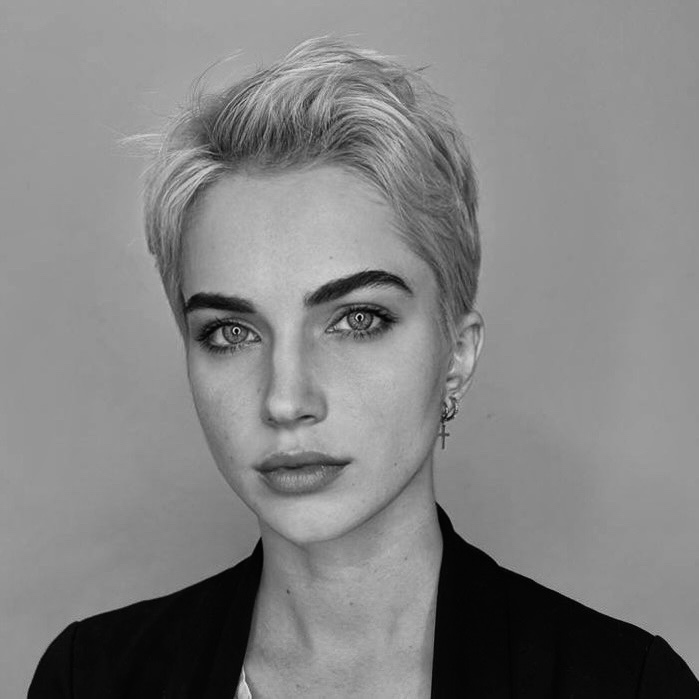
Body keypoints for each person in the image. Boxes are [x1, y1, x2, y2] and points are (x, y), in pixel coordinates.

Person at [29, 37, 698, 698]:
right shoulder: (89, 679)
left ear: (456, 355)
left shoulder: (631, 686)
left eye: (356, 320)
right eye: (231, 332)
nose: (285, 399)